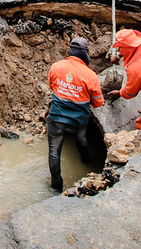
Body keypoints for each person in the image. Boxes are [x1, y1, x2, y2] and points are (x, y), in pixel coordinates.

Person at [46, 37, 104, 192]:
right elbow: (98, 102)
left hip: (57, 119)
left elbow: (52, 86)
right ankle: (86, 162)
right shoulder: (90, 75)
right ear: (85, 54)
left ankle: (56, 186)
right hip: (78, 121)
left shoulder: (56, 67)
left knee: (54, 152)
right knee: (82, 140)